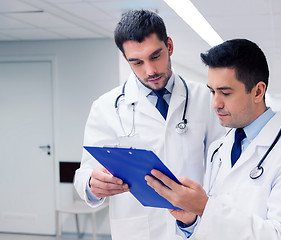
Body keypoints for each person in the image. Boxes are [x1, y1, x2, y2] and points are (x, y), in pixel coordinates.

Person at [145, 39, 281, 240]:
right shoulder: (219, 148)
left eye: (225, 93)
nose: (215, 103)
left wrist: (205, 207)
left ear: (258, 91)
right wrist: (192, 220)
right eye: (212, 91)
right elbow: (216, 226)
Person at [74, 9, 225, 240]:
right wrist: (93, 183)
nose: (150, 71)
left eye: (156, 56)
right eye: (137, 62)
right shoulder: (106, 107)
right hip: (137, 230)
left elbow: (223, 168)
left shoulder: (205, 99)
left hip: (195, 228)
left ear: (170, 46)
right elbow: (85, 173)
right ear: (126, 59)